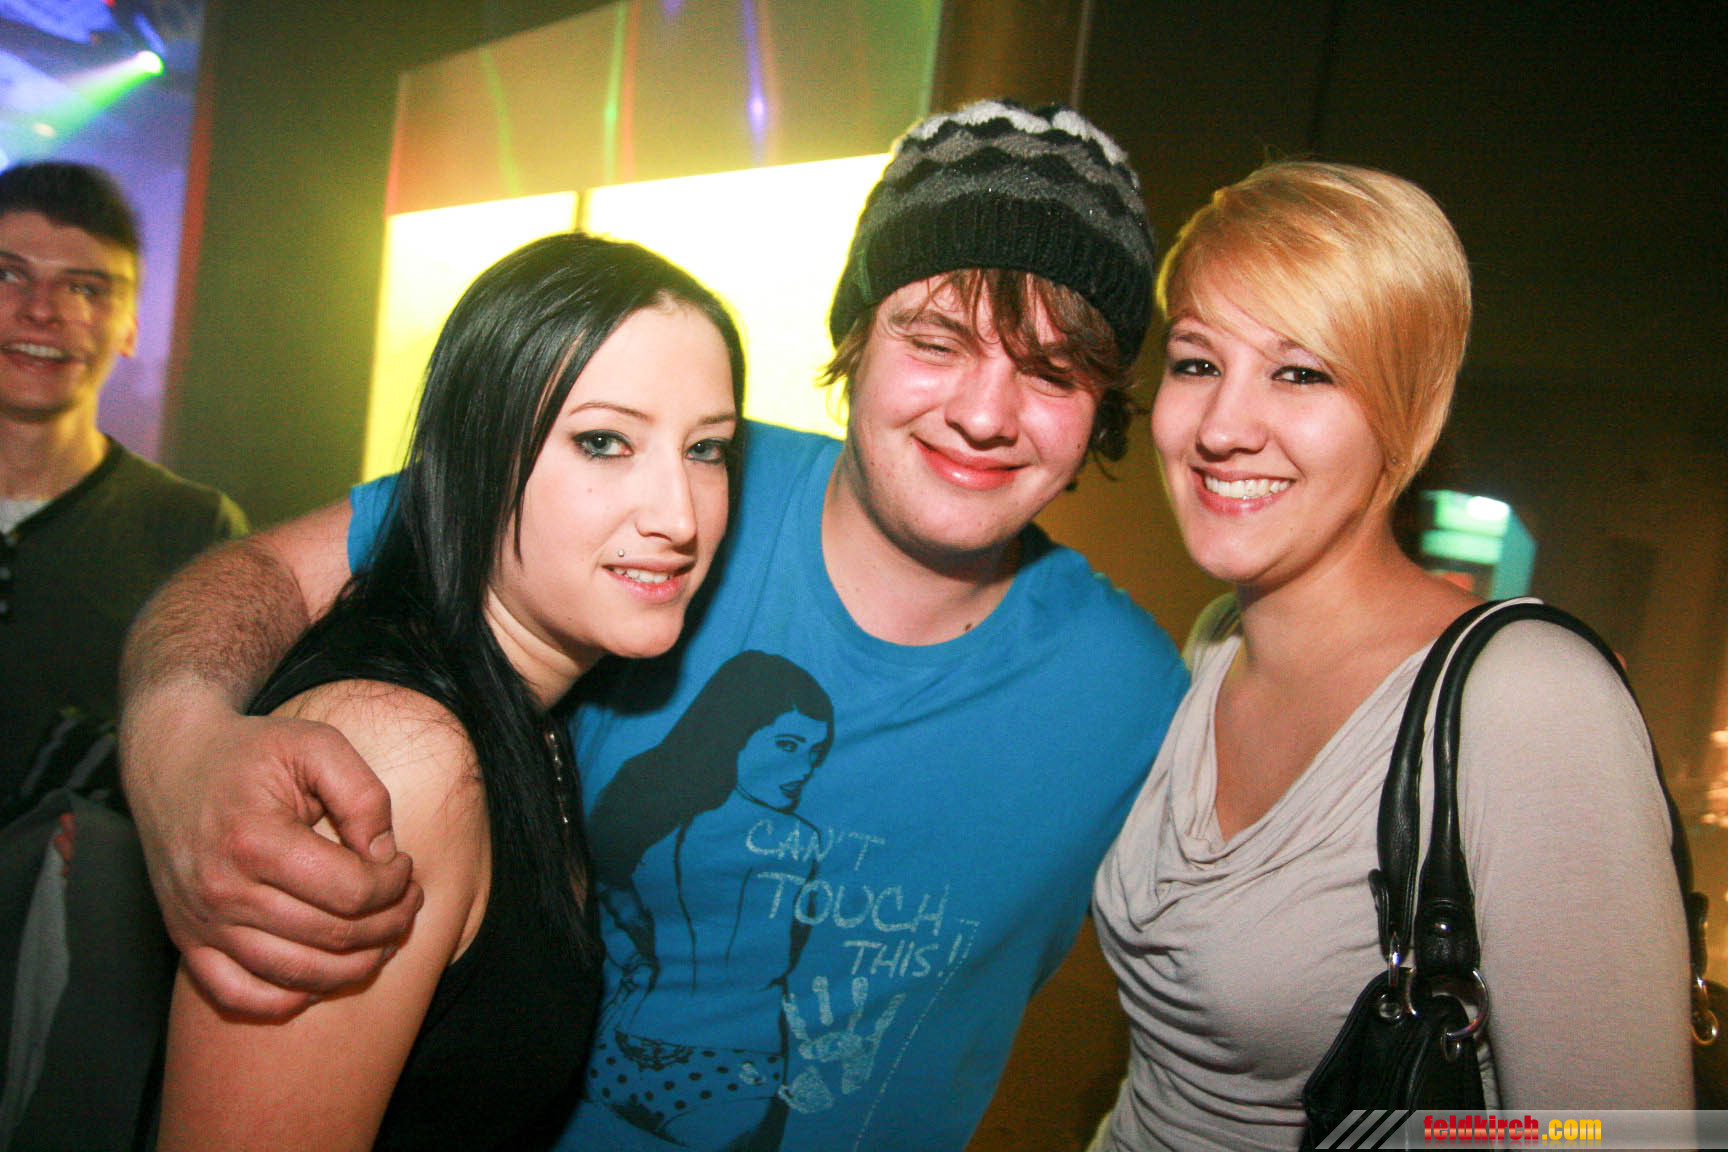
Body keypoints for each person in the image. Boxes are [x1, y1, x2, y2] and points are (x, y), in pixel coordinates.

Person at [120, 99, 1189, 1150]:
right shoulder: (665, 478)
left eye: (1052, 370)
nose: (986, 413)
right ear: (856, 340)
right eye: (938, 340)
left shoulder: (1135, 696)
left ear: (1103, 408)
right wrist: (177, 737)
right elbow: (271, 572)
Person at [1090, 161, 1691, 1151]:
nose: (1222, 428)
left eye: (1301, 372)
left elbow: (1616, 1134)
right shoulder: (1215, 643)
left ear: (1404, 413)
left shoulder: (1529, 698)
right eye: (1197, 362)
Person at [154, 232, 745, 1151]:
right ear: (473, 453)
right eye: (603, 442)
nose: (678, 516)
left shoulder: (529, 717)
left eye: (706, 449)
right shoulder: (397, 753)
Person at [0, 160, 245, 810]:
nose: (42, 311)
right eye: (8, 275)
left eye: (85, 288)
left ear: (131, 325)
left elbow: (213, 770)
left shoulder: (193, 531)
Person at [586, 650, 836, 1146]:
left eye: (814, 752)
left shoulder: (653, 813)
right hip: (723, 1063)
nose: (804, 768)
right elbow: (778, 958)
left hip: (629, 1041)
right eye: (787, 745)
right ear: (734, 732)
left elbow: (603, 898)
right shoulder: (795, 839)